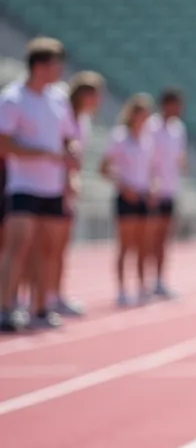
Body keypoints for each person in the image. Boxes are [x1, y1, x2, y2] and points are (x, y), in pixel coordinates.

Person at [0, 37, 81, 332]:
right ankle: (6, 307)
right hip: (23, 184)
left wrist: (71, 154)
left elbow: (69, 135)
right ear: (41, 65)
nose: (61, 69)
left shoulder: (59, 97)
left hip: (53, 185)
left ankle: (40, 306)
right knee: (18, 244)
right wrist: (44, 154)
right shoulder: (13, 98)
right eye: (57, 63)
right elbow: (3, 143)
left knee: (47, 249)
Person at [45, 70, 104, 316]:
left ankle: (55, 294)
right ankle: (35, 297)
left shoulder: (83, 121)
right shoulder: (63, 114)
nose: (98, 101)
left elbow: (77, 157)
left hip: (66, 187)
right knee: (43, 247)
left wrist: (74, 181)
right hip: (49, 184)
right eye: (94, 95)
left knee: (59, 247)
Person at [100, 94, 157, 307]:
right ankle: (122, 289)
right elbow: (104, 168)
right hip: (125, 196)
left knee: (143, 245)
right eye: (141, 115)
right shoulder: (119, 137)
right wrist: (124, 186)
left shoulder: (147, 140)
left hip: (143, 196)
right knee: (125, 245)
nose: (144, 120)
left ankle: (142, 286)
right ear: (132, 115)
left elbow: (150, 169)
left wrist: (152, 187)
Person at [145, 87, 187, 299]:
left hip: (170, 190)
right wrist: (151, 183)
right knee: (148, 238)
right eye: (177, 104)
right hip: (153, 191)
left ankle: (159, 281)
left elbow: (179, 158)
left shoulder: (178, 128)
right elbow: (147, 158)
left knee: (163, 239)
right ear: (167, 104)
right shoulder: (151, 127)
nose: (180, 109)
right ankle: (144, 281)